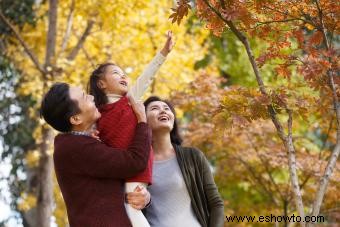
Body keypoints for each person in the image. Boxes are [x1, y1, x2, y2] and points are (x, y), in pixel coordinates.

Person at [88, 31, 173, 227]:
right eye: (116, 73)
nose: (123, 75)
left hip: (137, 165)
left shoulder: (131, 100)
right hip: (116, 171)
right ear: (101, 83)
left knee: (132, 210)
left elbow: (147, 75)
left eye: (123, 72)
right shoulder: (95, 112)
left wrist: (164, 52)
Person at [40, 82, 151, 227]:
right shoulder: (75, 148)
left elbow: (108, 189)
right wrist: (142, 120)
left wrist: (145, 198)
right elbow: (135, 162)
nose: (92, 97)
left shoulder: (76, 144)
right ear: (76, 119)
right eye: (85, 97)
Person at [127, 96, 225, 227]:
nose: (163, 111)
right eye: (155, 108)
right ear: (143, 119)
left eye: (166, 109)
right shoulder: (137, 161)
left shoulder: (193, 156)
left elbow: (216, 203)